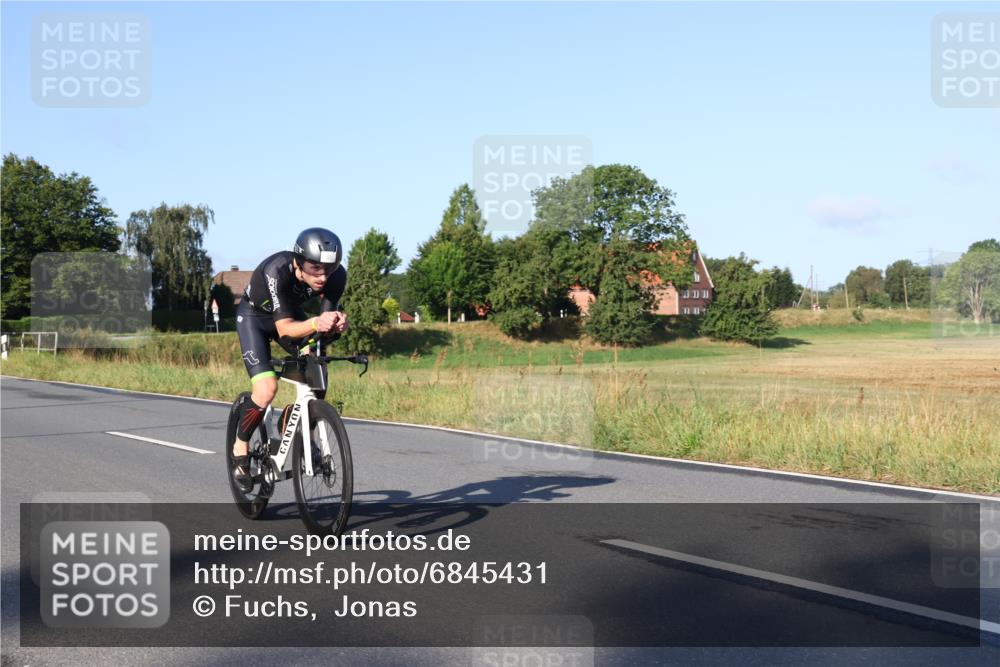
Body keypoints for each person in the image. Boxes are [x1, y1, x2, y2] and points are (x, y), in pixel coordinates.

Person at [231, 228, 349, 490]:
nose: (322, 275)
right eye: (315, 267)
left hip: (289, 315)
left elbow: (322, 325)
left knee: (317, 371)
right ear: (299, 261)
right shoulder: (277, 269)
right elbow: (284, 329)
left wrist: (338, 324)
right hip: (255, 319)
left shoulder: (336, 276)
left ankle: (292, 422)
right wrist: (317, 321)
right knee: (266, 389)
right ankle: (240, 448)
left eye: (328, 269)